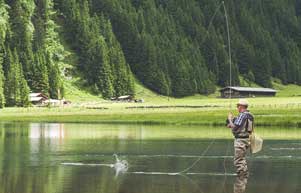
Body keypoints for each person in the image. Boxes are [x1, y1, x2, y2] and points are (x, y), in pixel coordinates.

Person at [227, 99, 254, 177]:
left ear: (241, 106)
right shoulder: (250, 115)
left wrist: (229, 119)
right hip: (247, 140)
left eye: (238, 106)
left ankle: (241, 177)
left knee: (238, 160)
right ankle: (243, 178)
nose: (237, 107)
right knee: (242, 159)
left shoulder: (242, 115)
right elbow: (238, 125)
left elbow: (234, 127)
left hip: (241, 140)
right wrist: (231, 121)